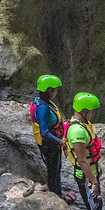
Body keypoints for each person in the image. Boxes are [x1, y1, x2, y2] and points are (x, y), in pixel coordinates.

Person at [65, 92, 105, 210]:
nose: (93, 114)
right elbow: (82, 160)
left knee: (93, 205)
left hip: (91, 174)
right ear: (84, 111)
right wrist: (94, 182)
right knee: (94, 207)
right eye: (91, 111)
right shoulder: (77, 132)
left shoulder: (83, 125)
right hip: (86, 177)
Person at [31, 74, 74, 203]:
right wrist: (60, 141)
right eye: (55, 90)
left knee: (56, 169)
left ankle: (58, 194)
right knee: (53, 171)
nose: (56, 92)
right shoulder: (43, 107)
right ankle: (56, 197)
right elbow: (44, 132)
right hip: (49, 144)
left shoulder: (44, 102)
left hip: (52, 142)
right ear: (49, 90)